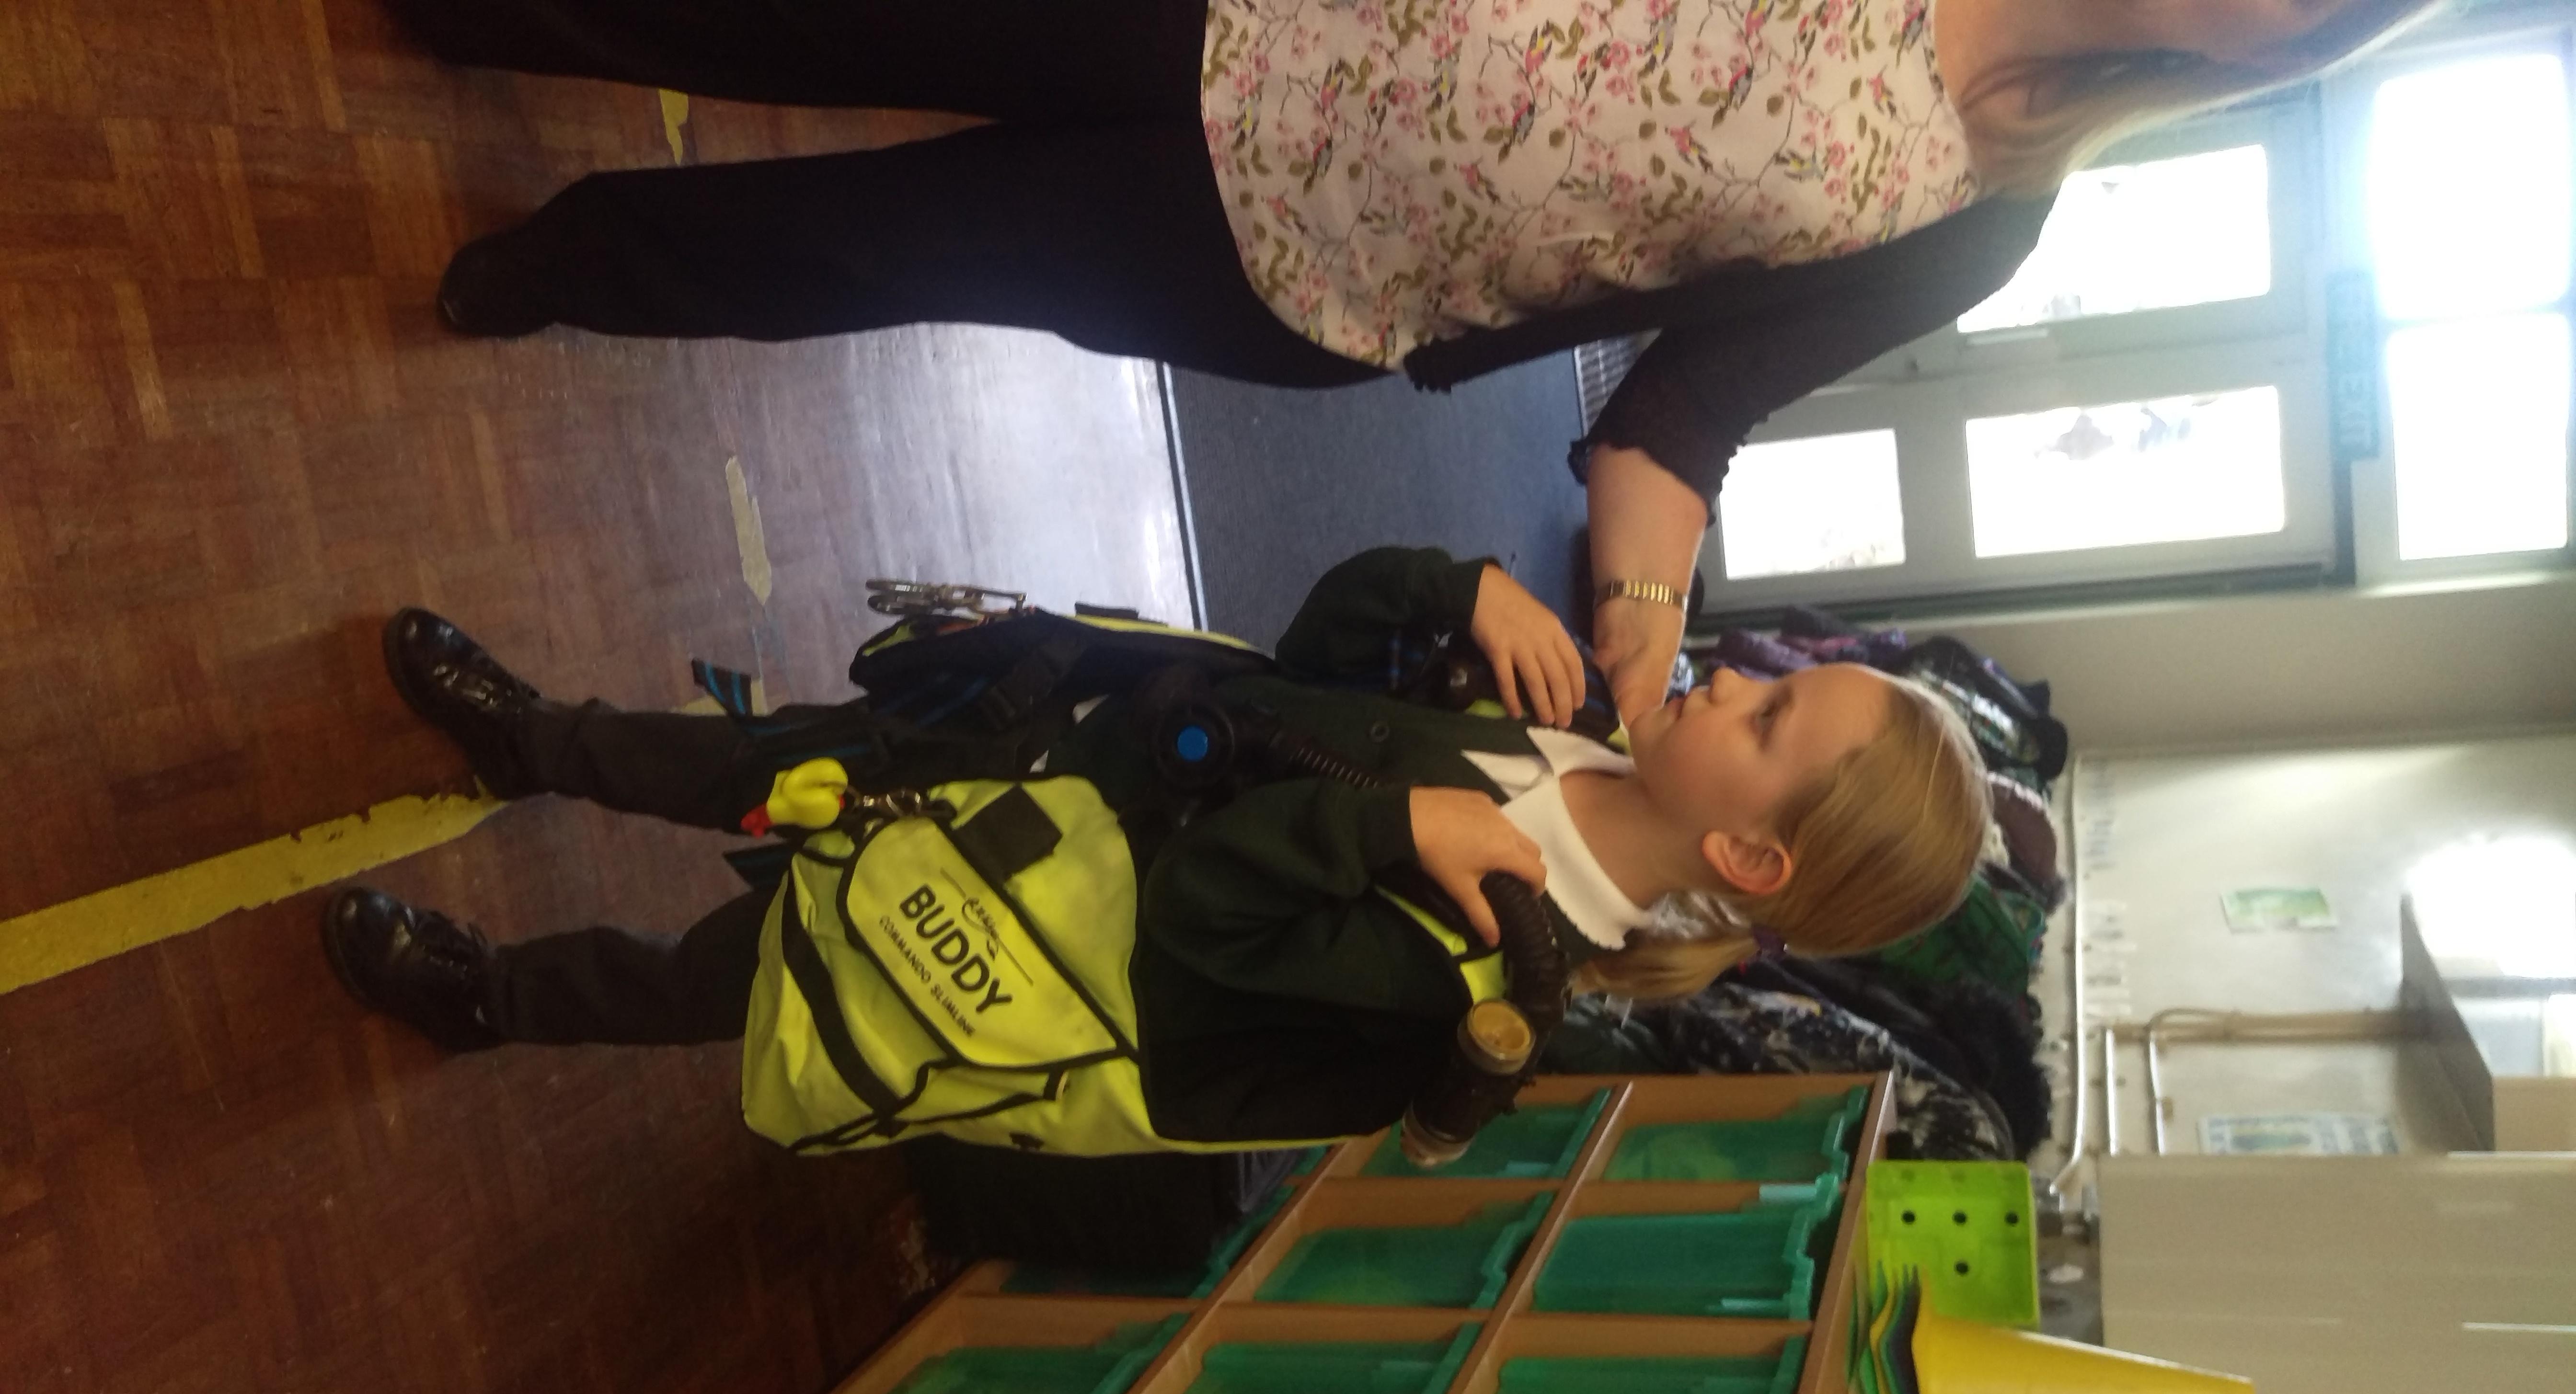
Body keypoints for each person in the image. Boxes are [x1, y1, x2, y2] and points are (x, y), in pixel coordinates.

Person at [384, 0, 2441, 720]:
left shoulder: (1989, 207)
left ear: (2282, 59)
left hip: (1296, 266)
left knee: (884, 248)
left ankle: (571, 264)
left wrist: (1640, 632)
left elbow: (1683, 413)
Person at [323, 547, 1989, 1154]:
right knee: (765, 765)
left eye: (1772, 718)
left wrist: (1385, 826)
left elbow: (1198, 919)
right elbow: (1302, 671)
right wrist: (1448, 590)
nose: (1736, 677)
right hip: (1036, 764)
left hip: (1013, 921)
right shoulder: (1552, 725)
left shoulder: (1494, 960)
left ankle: (490, 1000)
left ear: (1747, 858)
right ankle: (535, 742)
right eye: (1777, 673)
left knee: (726, 973)